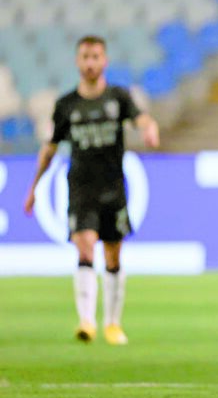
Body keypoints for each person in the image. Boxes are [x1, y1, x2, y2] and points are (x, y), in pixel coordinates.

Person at [23, 35, 160, 345]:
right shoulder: (66, 105)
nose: (90, 63)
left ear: (105, 60)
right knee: (84, 247)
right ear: (77, 61)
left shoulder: (118, 97)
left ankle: (112, 323)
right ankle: (86, 321)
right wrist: (34, 188)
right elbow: (49, 149)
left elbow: (142, 119)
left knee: (113, 256)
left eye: (95, 56)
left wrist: (149, 130)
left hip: (113, 188)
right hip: (81, 189)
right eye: (85, 57)